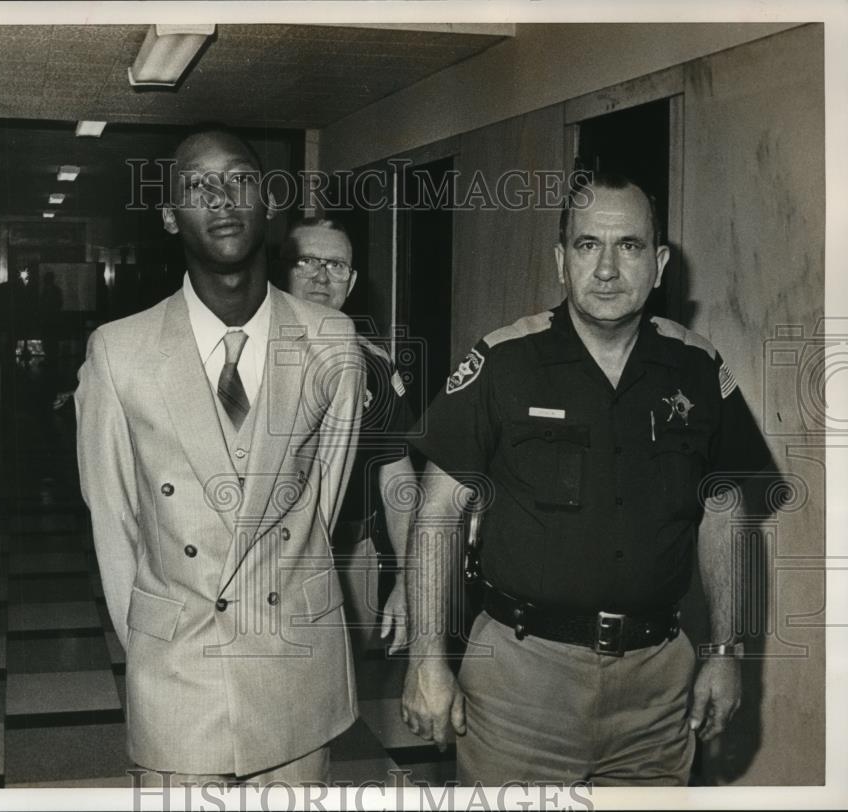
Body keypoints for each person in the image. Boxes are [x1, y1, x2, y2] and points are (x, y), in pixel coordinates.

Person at [401, 172, 774, 785]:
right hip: (519, 684)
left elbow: (726, 515)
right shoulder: (504, 361)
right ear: (560, 260)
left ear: (657, 265)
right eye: (586, 245)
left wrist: (727, 653)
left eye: (627, 246)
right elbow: (438, 512)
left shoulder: (698, 368)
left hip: (656, 694)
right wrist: (426, 658)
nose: (606, 269)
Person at [75, 127, 365, 785]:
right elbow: (113, 527)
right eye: (198, 186)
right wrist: (155, 648)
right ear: (169, 214)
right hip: (179, 671)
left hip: (294, 670)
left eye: (239, 179)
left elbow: (325, 497)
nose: (223, 198)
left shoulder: (332, 342)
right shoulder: (120, 353)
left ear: (268, 202)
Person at [281, 217, 416, 656]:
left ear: (352, 280)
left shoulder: (375, 364)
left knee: (341, 694)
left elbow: (397, 479)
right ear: (281, 269)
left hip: (348, 554)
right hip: (257, 559)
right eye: (306, 261)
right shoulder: (238, 356)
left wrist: (409, 579)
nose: (321, 276)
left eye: (336, 265)